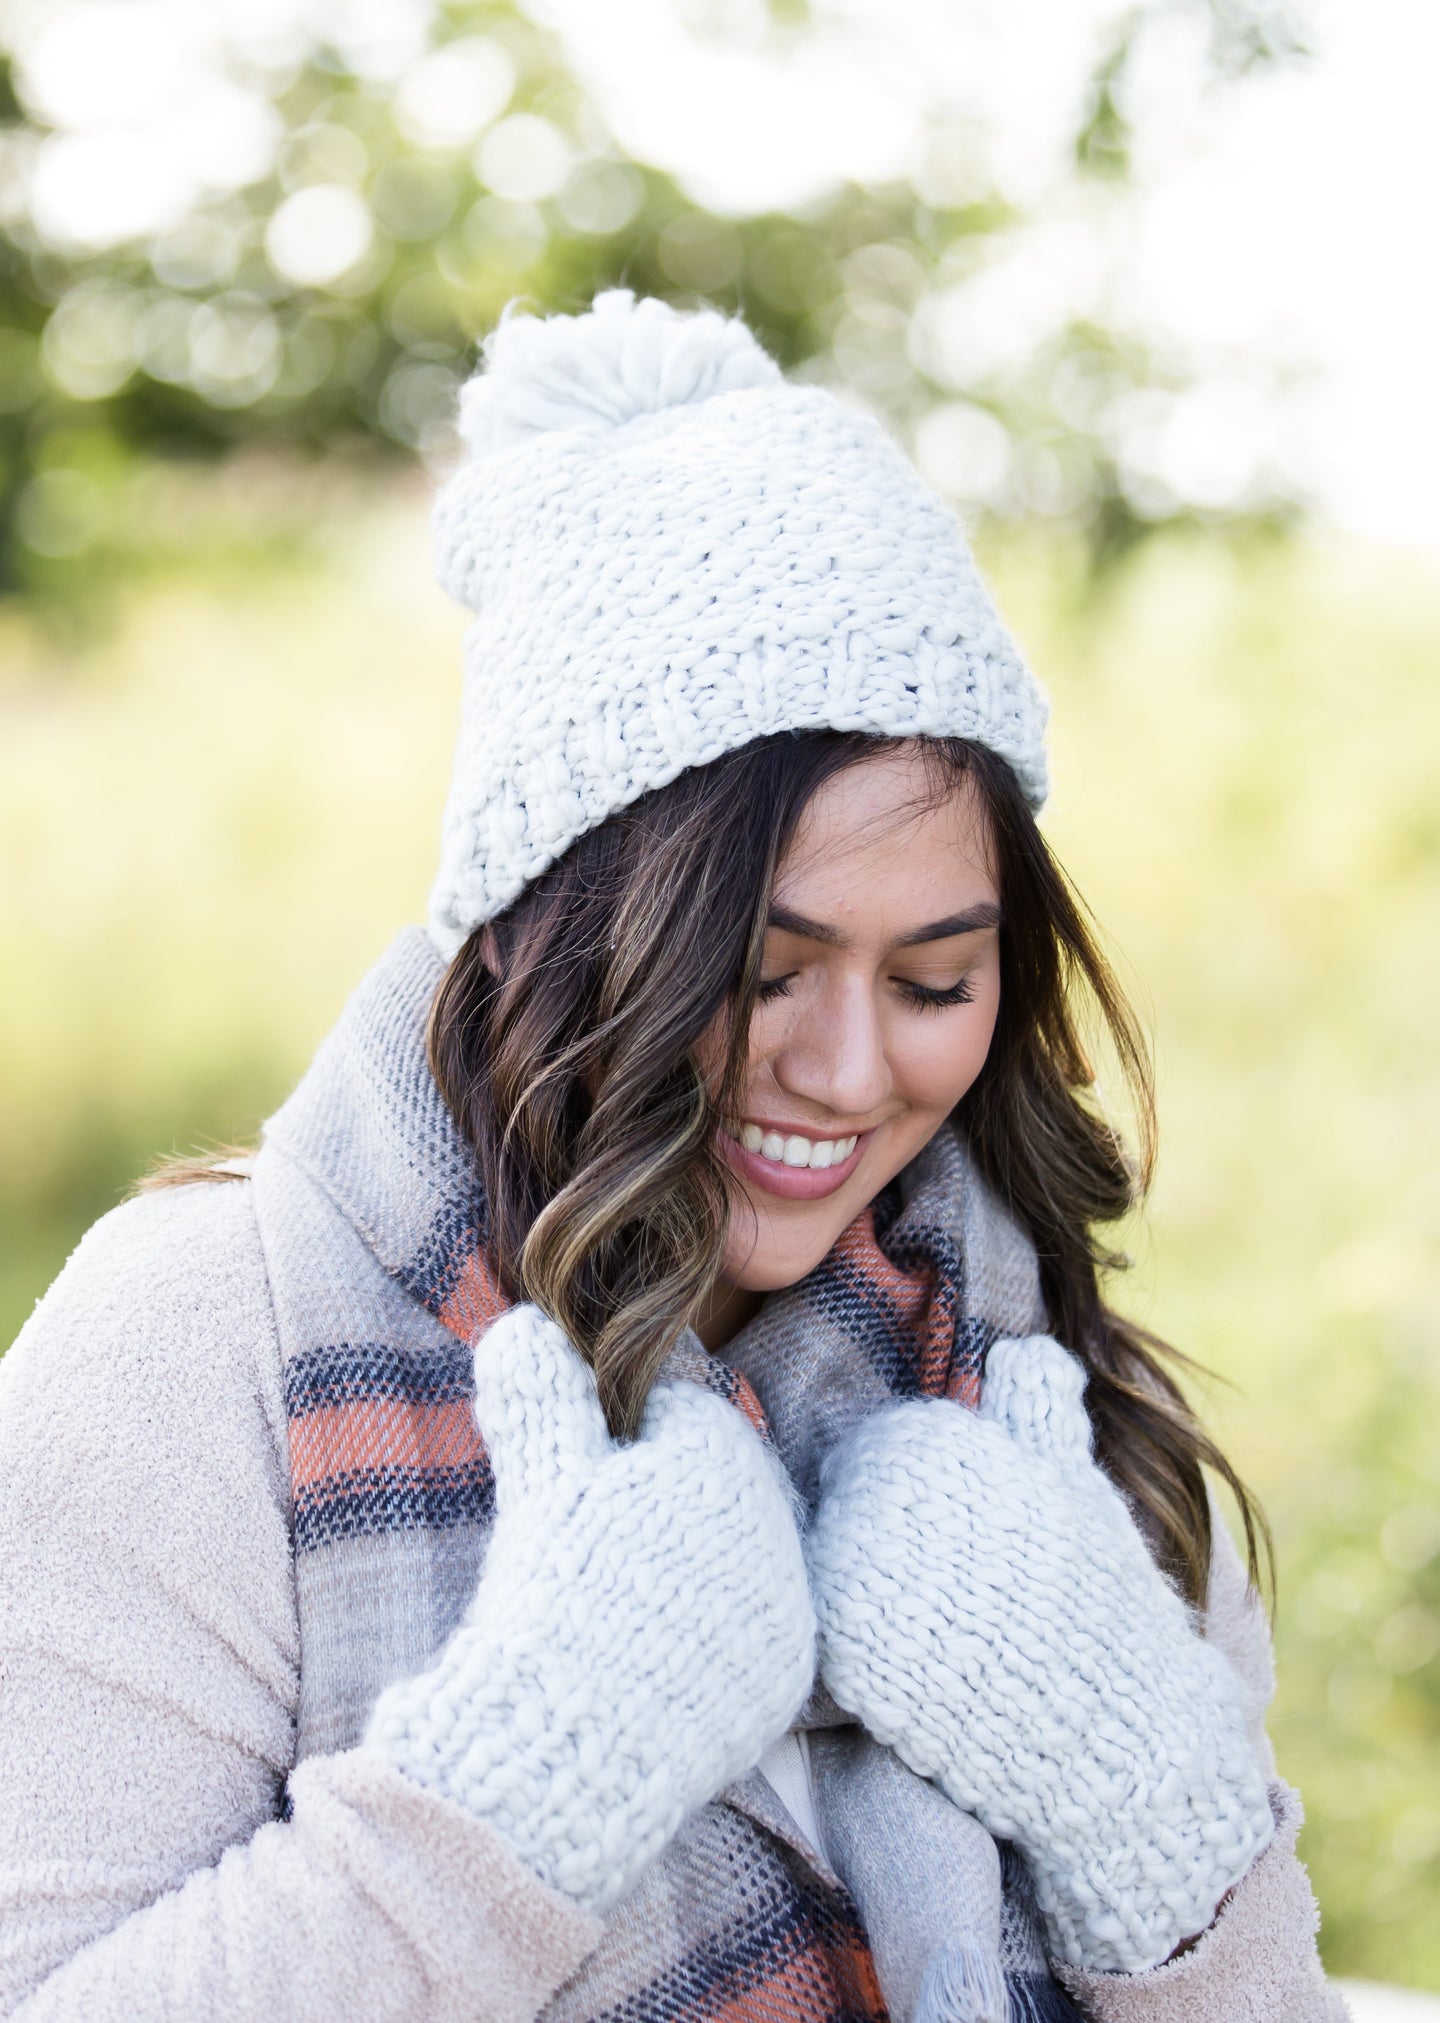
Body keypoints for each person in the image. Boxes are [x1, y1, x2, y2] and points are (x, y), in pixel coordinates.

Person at [0, 291, 1342, 2023]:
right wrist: (522, 1784)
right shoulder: (202, 1351)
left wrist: (1151, 1817)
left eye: (935, 978)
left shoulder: (1044, 1406)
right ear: (551, 934)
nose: (851, 1070)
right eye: (761, 973)